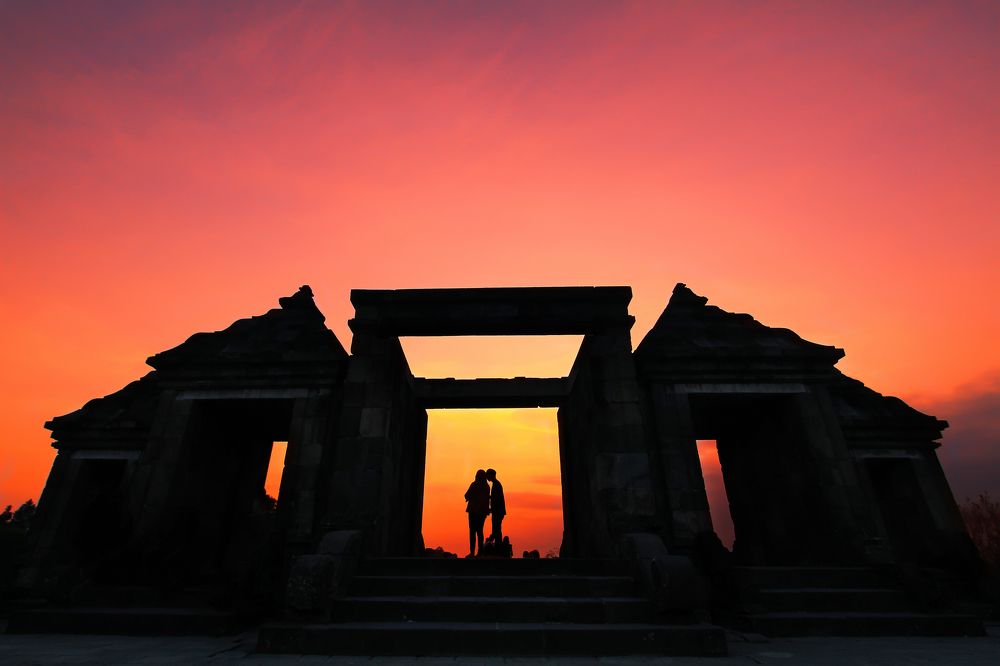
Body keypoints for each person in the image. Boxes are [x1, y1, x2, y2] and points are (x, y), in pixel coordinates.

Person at [464, 469, 490, 557]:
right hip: (482, 512)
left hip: (473, 511)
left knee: (472, 532)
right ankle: (480, 552)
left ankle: (472, 552)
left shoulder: (474, 484)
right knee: (480, 531)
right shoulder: (487, 487)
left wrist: (471, 497)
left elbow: (466, 495)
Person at [486, 468, 505, 544]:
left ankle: (497, 545)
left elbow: (496, 499)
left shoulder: (496, 485)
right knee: (497, 529)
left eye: (488, 475)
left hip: (497, 511)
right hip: (498, 511)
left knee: (496, 529)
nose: (487, 477)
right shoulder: (496, 484)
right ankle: (497, 544)